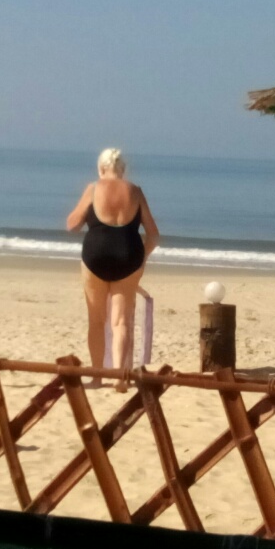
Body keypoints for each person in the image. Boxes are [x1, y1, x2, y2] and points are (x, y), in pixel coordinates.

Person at [66, 148, 159, 392]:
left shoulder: (93, 188)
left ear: (101, 168)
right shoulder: (136, 191)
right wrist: (142, 259)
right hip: (128, 257)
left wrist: (84, 211)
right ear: (123, 169)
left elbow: (72, 224)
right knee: (121, 322)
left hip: (95, 256)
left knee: (97, 320)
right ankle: (119, 377)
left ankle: (97, 377)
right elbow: (153, 235)